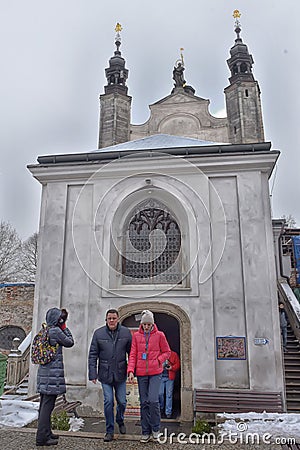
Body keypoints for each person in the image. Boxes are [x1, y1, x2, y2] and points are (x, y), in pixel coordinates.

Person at [88, 309, 132, 442]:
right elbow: (92, 355)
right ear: (106, 320)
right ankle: (109, 430)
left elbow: (132, 353)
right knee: (108, 402)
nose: (111, 321)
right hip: (105, 374)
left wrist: (131, 370)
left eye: (114, 318)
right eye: (109, 318)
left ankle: (120, 419)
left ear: (118, 319)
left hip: (120, 373)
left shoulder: (126, 332)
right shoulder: (98, 333)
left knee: (122, 402)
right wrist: (92, 373)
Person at [127, 310, 171, 443]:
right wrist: (130, 371)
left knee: (153, 400)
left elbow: (167, 352)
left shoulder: (160, 335)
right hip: (141, 374)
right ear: (141, 324)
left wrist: (159, 360)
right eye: (144, 324)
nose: (146, 326)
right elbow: (133, 354)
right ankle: (145, 431)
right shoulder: (136, 336)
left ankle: (156, 429)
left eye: (148, 324)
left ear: (152, 324)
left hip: (155, 373)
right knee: (144, 402)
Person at [36, 307, 74, 447]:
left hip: (44, 375)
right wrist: (64, 327)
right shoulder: (56, 331)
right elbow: (70, 342)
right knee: (47, 406)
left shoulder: (45, 330)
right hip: (52, 375)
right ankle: (41, 438)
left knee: (44, 405)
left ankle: (46, 432)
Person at [159, 350, 180, 419]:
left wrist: (172, 367)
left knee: (169, 395)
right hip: (160, 377)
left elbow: (178, 364)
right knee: (160, 394)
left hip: (170, 377)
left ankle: (168, 412)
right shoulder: (159, 354)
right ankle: (161, 408)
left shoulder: (174, 354)